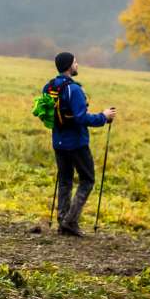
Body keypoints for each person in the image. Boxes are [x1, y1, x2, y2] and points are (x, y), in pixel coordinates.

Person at [44, 52, 116, 237]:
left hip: (58, 142)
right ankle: (70, 221)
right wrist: (104, 117)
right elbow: (81, 118)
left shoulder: (49, 86)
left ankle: (62, 221)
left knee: (65, 180)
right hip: (76, 143)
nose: (77, 64)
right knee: (88, 179)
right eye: (75, 62)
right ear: (69, 65)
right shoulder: (74, 90)